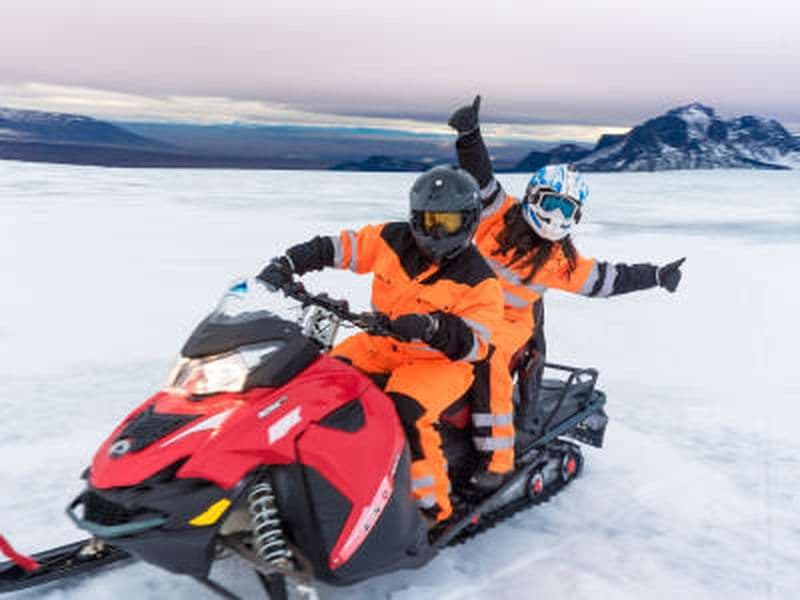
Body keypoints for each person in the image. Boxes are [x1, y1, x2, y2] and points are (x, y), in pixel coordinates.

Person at [257, 165, 506, 523]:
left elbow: (477, 344)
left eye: (446, 222)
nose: (434, 230)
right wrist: (291, 262)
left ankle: (430, 509)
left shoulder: (479, 280)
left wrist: (433, 328)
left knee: (406, 413)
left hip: (436, 363)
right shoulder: (392, 239)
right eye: (427, 219)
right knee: (312, 381)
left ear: (467, 222)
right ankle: (305, 474)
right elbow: (340, 247)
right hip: (381, 344)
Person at [447, 96, 685, 437]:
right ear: (533, 198)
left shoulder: (560, 260)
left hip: (508, 324)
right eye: (551, 203)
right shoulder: (498, 216)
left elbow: (607, 279)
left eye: (566, 209)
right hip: (465, 307)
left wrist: (655, 274)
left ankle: (493, 449)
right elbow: (481, 179)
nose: (556, 216)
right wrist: (470, 137)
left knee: (488, 362)